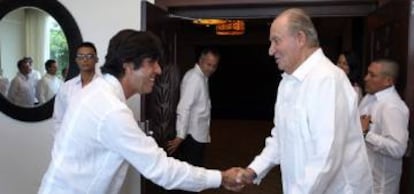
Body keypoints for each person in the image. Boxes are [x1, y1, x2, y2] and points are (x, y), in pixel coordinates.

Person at [38, 29, 244, 194]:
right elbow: (161, 169)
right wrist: (221, 177)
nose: (159, 70)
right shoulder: (111, 110)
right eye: (151, 63)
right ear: (128, 65)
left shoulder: (95, 92)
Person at [237, 8, 373, 194]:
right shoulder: (287, 82)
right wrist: (253, 171)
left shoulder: (328, 79)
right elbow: (280, 137)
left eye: (276, 41)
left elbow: (326, 157)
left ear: (300, 38)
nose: (271, 51)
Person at [359, 59, 409, 194]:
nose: (366, 78)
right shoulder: (368, 98)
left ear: (388, 81)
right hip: (362, 181)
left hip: (380, 187)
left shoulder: (393, 107)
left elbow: (398, 148)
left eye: (372, 75)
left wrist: (366, 134)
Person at [167, 48, 219, 164]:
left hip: (198, 134)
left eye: (214, 66)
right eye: (208, 64)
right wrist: (180, 135)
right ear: (200, 60)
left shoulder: (202, 77)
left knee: (196, 171)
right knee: (192, 172)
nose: (211, 69)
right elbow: (184, 107)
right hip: (192, 135)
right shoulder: (194, 78)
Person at [52, 42, 99, 134]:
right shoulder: (66, 88)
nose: (85, 60)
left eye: (89, 56)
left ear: (96, 59)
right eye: (81, 56)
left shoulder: (106, 87)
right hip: (71, 142)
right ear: (76, 60)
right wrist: (61, 142)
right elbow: (58, 119)